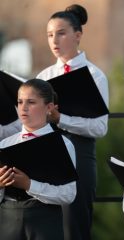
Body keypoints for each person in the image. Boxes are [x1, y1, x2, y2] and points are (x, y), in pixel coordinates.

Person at [36, 4, 109, 240]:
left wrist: (61, 119)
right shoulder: (43, 77)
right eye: (49, 34)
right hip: (46, 155)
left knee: (74, 228)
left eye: (61, 33)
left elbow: (100, 127)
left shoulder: (95, 75)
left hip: (79, 156)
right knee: (45, 225)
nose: (54, 40)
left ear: (78, 36)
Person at [0, 79, 76, 240]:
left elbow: (68, 194)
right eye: (20, 102)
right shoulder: (5, 144)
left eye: (31, 102)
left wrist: (29, 185)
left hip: (44, 219)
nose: (23, 108)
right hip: (7, 219)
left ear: (49, 107)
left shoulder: (63, 144)